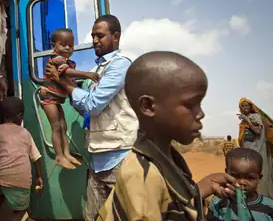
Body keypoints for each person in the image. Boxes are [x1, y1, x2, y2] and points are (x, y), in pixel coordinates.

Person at [97, 51, 240, 220]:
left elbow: (168, 203)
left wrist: (204, 186)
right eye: (190, 104)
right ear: (148, 106)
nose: (200, 114)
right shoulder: (142, 177)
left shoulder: (165, 158)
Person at [45, 15, 139, 220]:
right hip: (97, 160)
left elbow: (93, 105)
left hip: (119, 159)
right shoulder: (97, 70)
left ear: (116, 36)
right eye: (93, 36)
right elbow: (85, 108)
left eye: (100, 36)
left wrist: (63, 83)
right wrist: (65, 88)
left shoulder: (120, 65)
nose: (95, 40)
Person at [40, 28, 99, 170]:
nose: (68, 48)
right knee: (56, 127)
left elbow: (69, 78)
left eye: (71, 45)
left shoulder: (69, 62)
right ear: (54, 46)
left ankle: (66, 154)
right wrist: (86, 74)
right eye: (63, 44)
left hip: (57, 99)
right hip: (48, 97)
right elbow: (67, 72)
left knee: (63, 127)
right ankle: (59, 156)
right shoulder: (57, 59)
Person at [0, 97, 43, 221]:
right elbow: (36, 157)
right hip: (21, 184)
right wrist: (39, 177)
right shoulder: (25, 133)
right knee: (17, 211)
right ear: (20, 116)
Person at [207, 147, 273, 220]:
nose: (241, 182)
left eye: (250, 178)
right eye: (235, 176)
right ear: (226, 174)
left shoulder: (270, 206)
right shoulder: (218, 202)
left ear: (259, 178)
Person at [238, 98, 273, 200]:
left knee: (257, 172)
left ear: (251, 107)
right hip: (248, 149)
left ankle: (261, 197)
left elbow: (258, 131)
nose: (245, 108)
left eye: (247, 105)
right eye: (243, 106)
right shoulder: (245, 118)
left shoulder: (254, 116)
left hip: (256, 149)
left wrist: (247, 120)